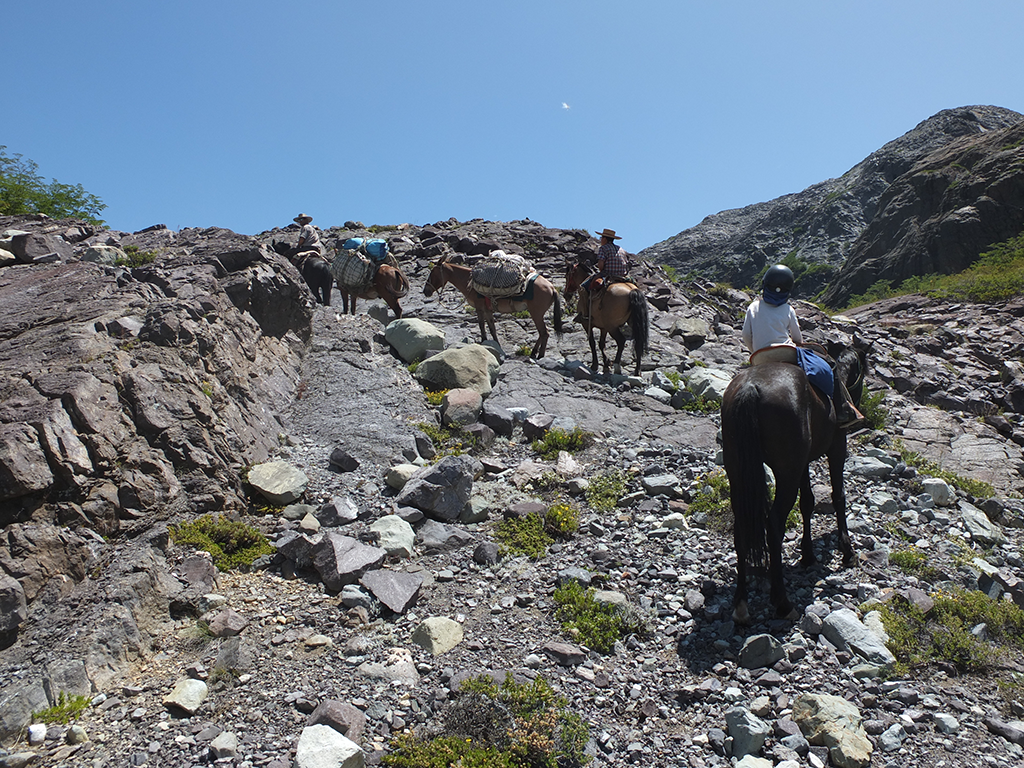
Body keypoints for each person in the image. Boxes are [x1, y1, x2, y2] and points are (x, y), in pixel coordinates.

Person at [742, 264, 865, 429]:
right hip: (786, 352)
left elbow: (745, 335)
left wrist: (755, 352)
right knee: (830, 366)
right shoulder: (788, 309)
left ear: (765, 284)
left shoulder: (753, 307)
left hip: (759, 357)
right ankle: (842, 409)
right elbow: (797, 338)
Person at [577, 228, 630, 322]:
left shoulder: (603, 248)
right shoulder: (621, 249)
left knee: (583, 287)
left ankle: (585, 315)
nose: (601, 239)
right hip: (623, 276)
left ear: (605, 239)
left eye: (601, 237)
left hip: (608, 274)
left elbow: (601, 266)